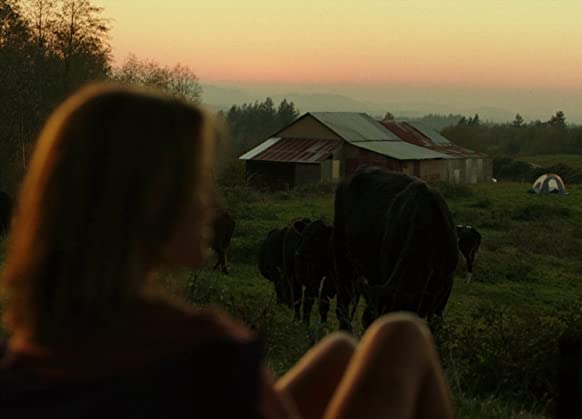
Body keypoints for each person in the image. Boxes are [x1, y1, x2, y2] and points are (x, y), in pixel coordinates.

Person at [0, 84, 453, 419]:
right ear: (149, 203)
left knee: (338, 351)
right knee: (400, 335)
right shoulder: (204, 352)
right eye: (196, 184)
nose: (212, 204)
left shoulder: (28, 353)